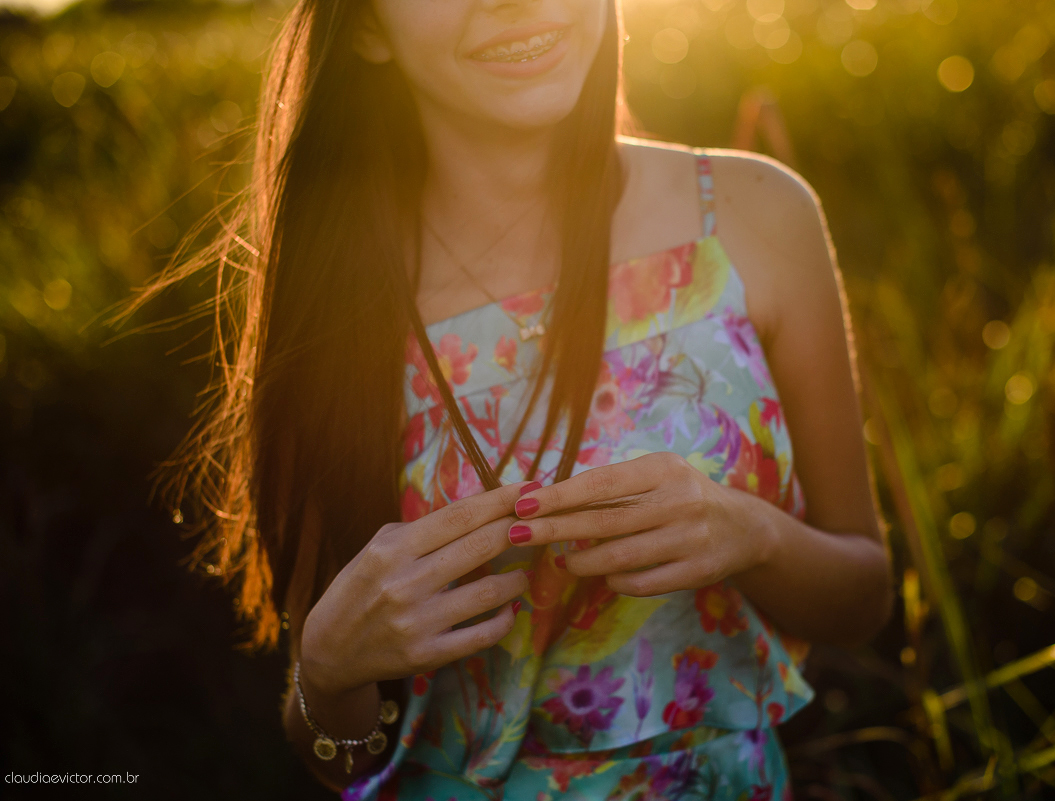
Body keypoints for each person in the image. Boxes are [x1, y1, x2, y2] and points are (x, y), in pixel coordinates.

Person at [153, 0, 892, 798]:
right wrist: (327, 673)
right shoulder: (334, 302)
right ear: (365, 28)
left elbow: (863, 596)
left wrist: (756, 535)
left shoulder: (758, 213)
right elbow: (340, 759)